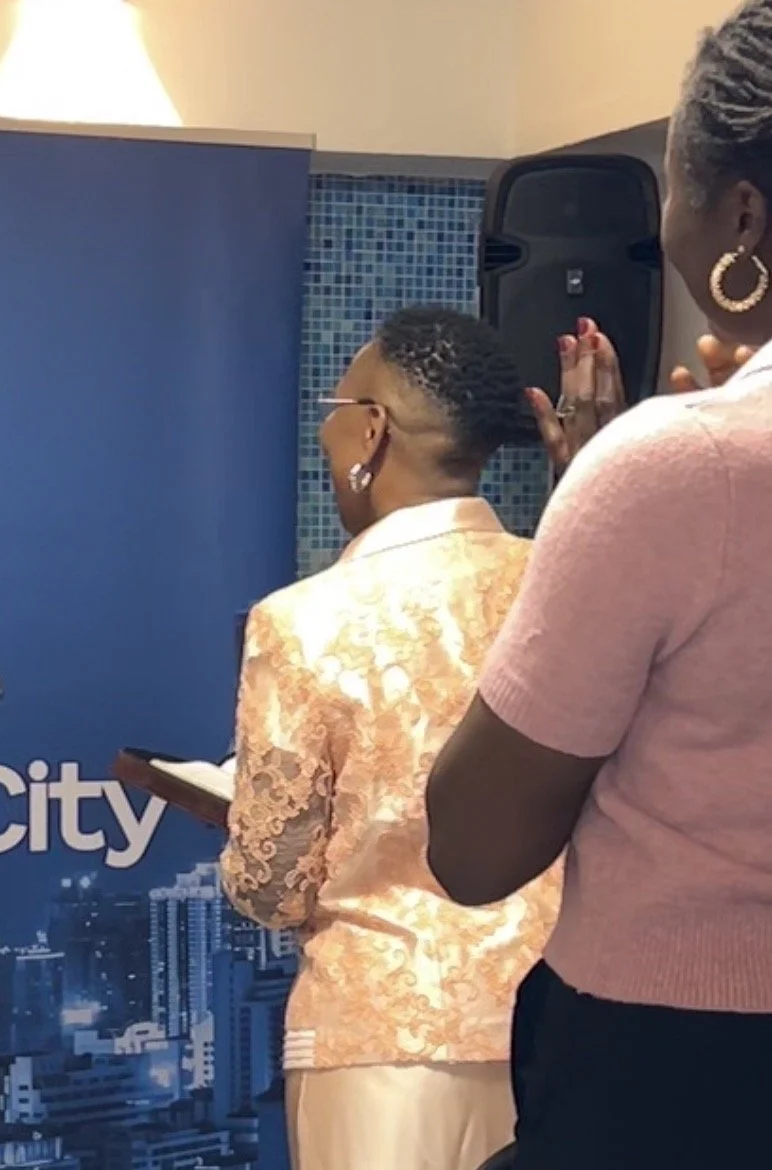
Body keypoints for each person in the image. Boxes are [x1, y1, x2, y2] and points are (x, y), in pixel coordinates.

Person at [426, 3, 772, 1165]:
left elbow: (472, 849)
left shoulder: (684, 467)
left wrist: (605, 505)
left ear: (735, 215)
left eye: (667, 177)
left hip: (682, 1072)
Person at [220, 307, 559, 1170]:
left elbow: (271, 884)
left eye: (336, 408)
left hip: (376, 1040)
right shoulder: (560, 587)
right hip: (559, 1030)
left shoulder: (299, 624)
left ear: (370, 429)